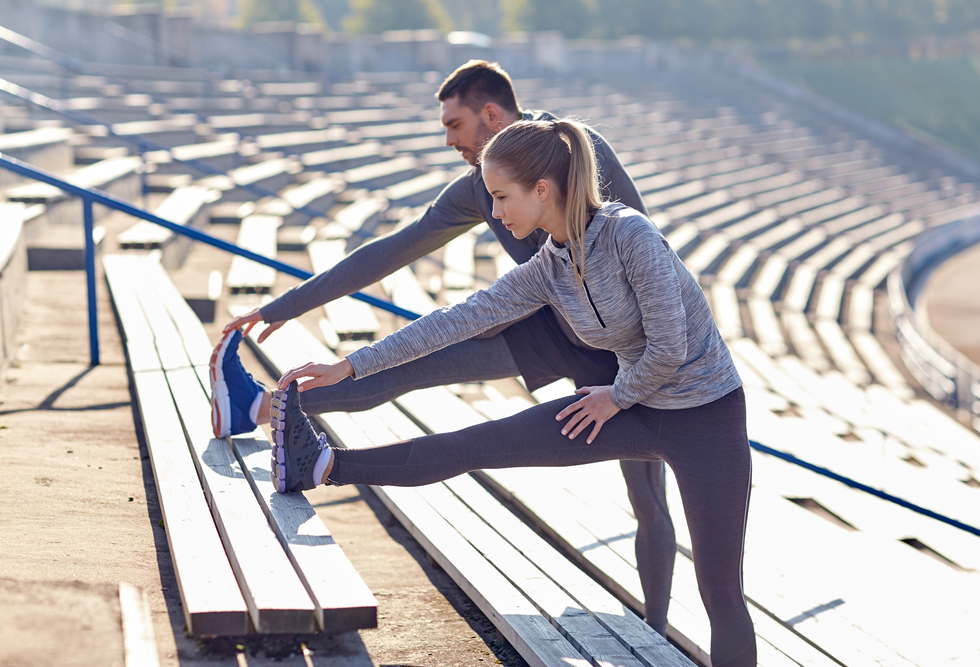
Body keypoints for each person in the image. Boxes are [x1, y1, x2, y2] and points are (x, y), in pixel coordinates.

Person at [264, 119, 756, 667]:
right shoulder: (548, 266)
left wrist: (616, 396)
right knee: (477, 443)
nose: (495, 213)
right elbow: (457, 320)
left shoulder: (630, 236)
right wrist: (350, 366)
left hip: (706, 421)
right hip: (632, 406)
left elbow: (671, 346)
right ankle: (321, 466)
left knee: (720, 592)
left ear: (542, 190)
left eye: (501, 197)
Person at [213, 60, 680, 634]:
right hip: (545, 329)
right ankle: (259, 407)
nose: (449, 139)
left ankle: (657, 636)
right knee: (412, 364)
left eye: (454, 124)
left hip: (620, 350)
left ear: (490, 113)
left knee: (646, 492)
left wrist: (637, 369)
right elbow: (391, 250)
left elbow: (647, 249)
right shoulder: (476, 191)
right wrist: (284, 307)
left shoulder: (578, 149)